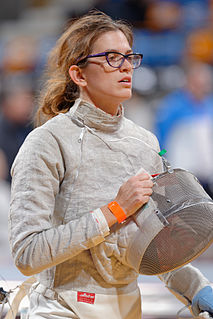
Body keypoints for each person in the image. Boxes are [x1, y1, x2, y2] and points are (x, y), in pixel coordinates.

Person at [8, 11, 213, 319]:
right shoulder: (48, 142)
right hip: (60, 309)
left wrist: (199, 288)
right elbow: (28, 253)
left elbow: (159, 243)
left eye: (130, 57)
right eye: (112, 57)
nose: (127, 66)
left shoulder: (145, 144)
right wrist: (115, 210)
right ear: (79, 75)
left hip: (127, 307)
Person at [155, 61, 213, 198]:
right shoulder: (172, 107)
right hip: (183, 172)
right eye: (197, 84)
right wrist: (163, 160)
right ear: (188, 82)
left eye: (204, 84)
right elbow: (161, 140)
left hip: (206, 173)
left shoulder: (208, 105)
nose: (201, 88)